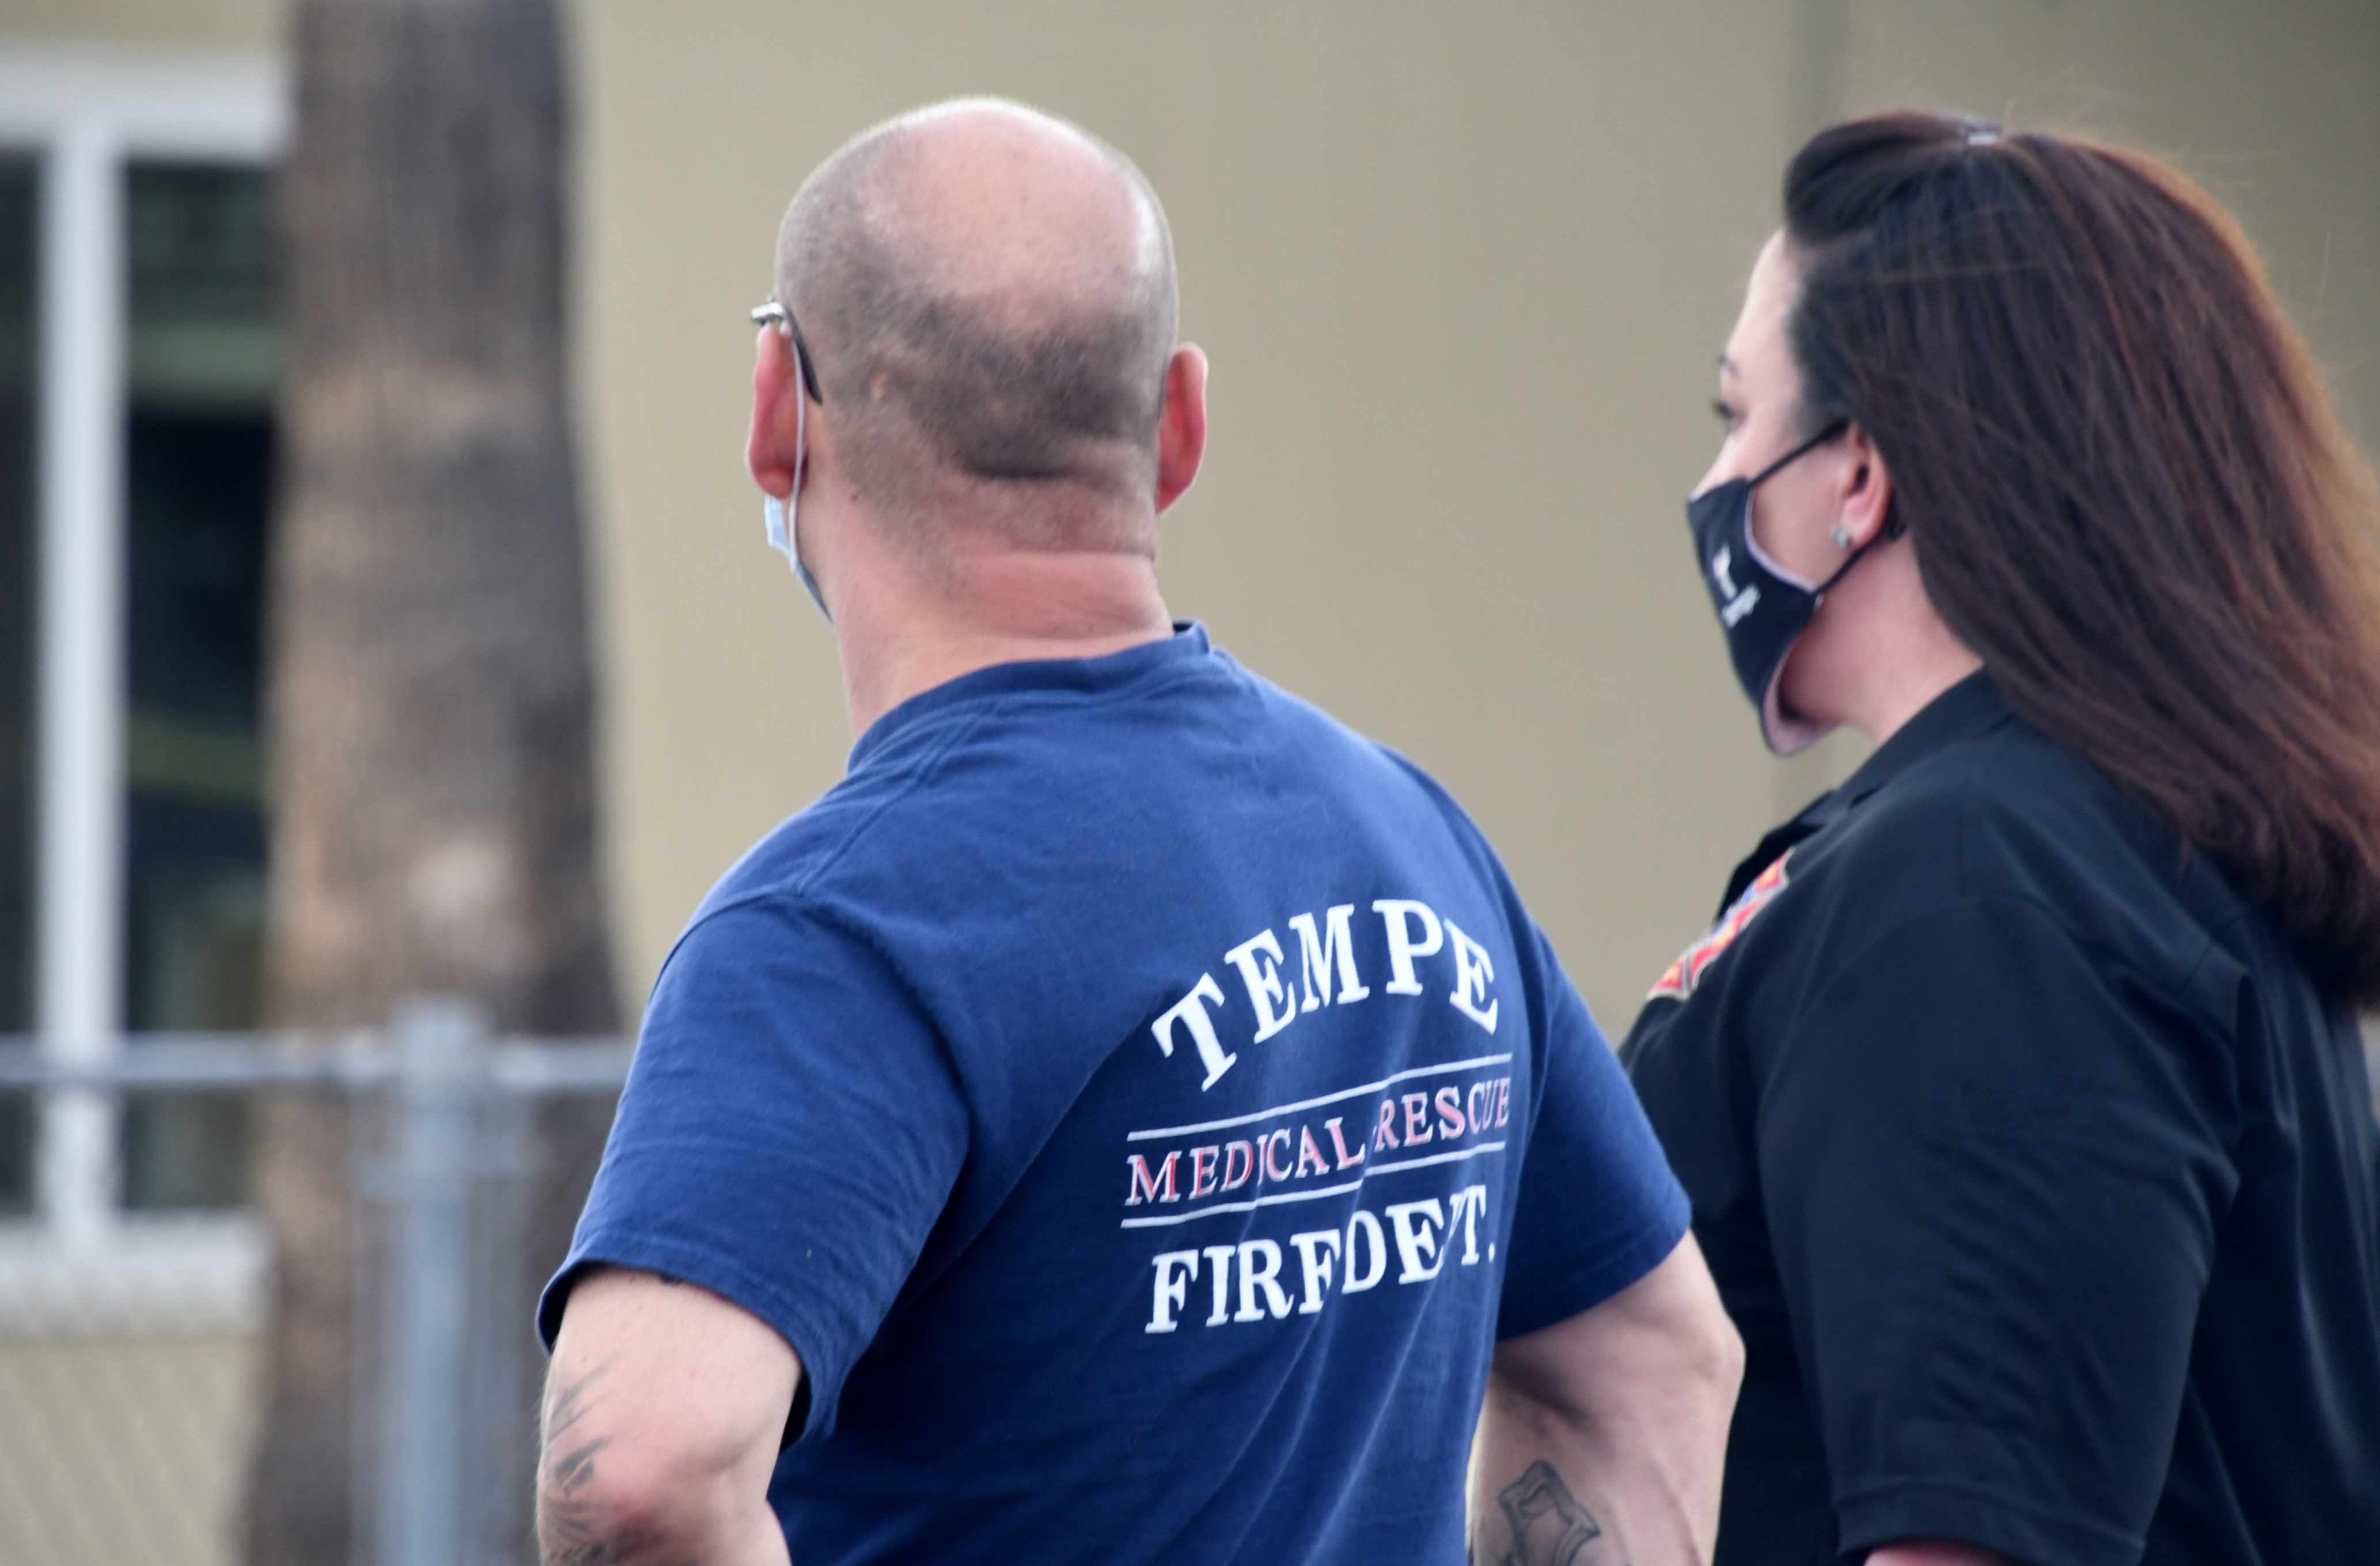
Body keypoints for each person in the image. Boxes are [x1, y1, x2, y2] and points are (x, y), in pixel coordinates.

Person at [532, 99, 1740, 1566]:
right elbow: (1656, 1362)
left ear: (776, 412)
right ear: (1179, 425)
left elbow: (638, 1478)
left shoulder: (840, 934)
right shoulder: (1410, 840)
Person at [1622, 108, 2380, 1566]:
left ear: (1859, 476)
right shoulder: (2124, 849)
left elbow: (1965, 1535)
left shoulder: (1977, 890)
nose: (1717, 481)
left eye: (1737, 414)